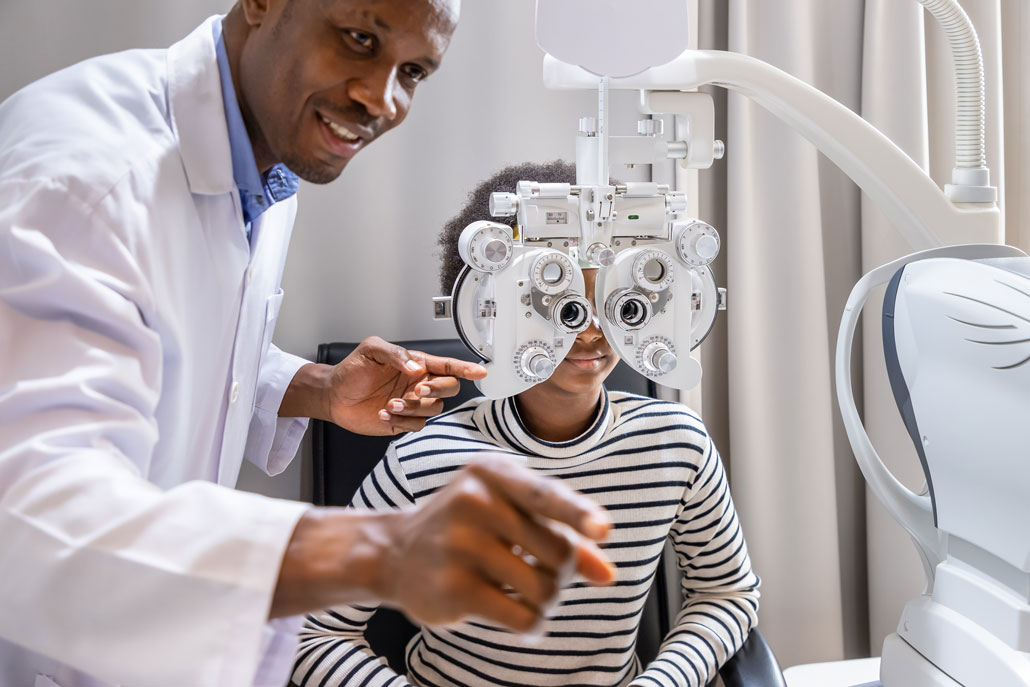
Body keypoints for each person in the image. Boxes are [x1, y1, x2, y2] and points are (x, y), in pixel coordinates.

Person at [0, 5, 616, 687]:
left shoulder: (268, 167)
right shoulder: (86, 179)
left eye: (413, 71)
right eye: (360, 39)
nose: (382, 100)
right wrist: (381, 550)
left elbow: (155, 333)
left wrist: (318, 390)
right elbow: (26, 513)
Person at [294, 161, 761, 687]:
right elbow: (315, 630)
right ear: (491, 309)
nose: (589, 331)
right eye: (559, 307)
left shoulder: (677, 444)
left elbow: (727, 593)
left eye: (613, 303)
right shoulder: (424, 455)